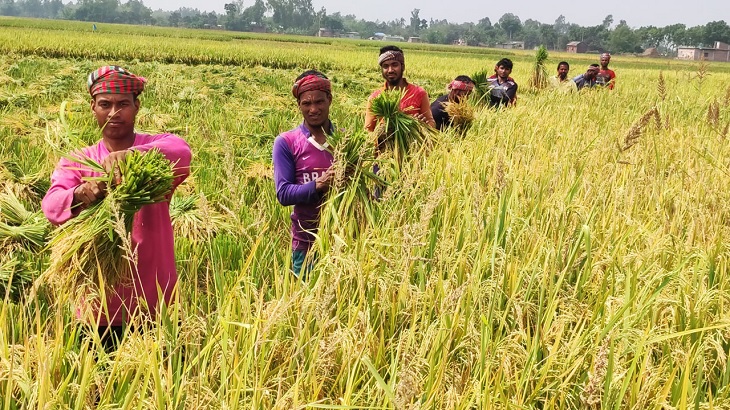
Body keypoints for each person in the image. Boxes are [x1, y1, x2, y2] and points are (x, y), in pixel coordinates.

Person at [41, 66, 191, 349]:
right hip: (98, 306)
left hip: (155, 301)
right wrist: (80, 192)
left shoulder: (155, 149)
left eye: (123, 104)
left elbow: (182, 152)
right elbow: (51, 206)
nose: (113, 113)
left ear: (137, 107)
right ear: (93, 108)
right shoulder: (78, 161)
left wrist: (131, 157)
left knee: (161, 389)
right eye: (105, 104)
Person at [273, 70, 336, 278]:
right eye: (306, 104)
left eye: (319, 102)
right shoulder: (287, 142)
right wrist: (319, 185)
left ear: (329, 100)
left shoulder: (345, 141)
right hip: (306, 243)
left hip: (343, 239)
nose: (313, 109)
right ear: (298, 105)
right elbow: (284, 193)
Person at [364, 45, 435, 132]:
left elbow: (431, 122)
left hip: (413, 144)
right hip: (385, 144)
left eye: (394, 65)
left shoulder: (419, 93)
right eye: (385, 66)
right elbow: (368, 130)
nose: (390, 70)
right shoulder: (375, 98)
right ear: (381, 70)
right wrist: (381, 133)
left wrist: (423, 124)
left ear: (403, 67)